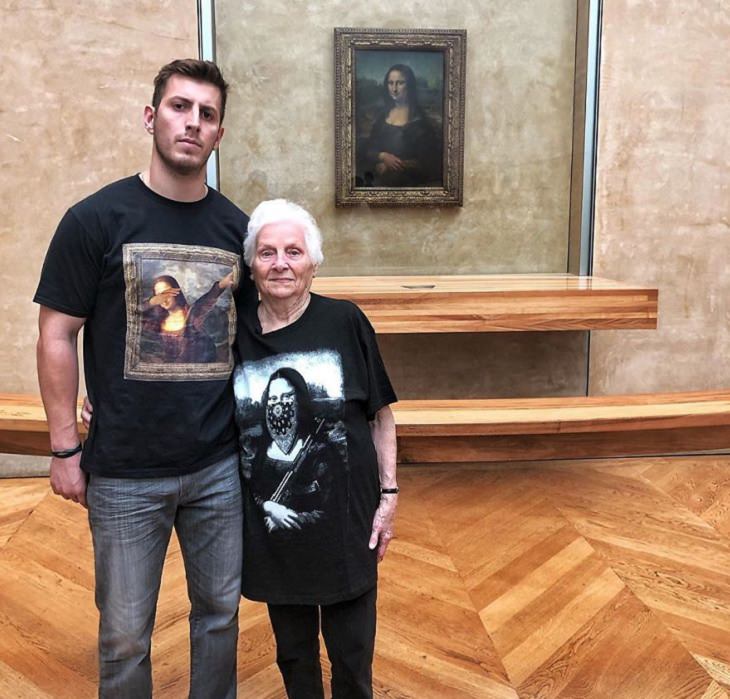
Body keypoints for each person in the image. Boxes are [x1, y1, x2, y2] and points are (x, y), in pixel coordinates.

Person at [35, 58, 256, 698]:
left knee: (219, 616)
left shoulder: (236, 231)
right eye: (181, 107)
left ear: (219, 134)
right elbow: (56, 333)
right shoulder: (95, 219)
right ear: (150, 117)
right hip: (125, 472)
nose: (192, 123)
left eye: (207, 114)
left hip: (218, 465)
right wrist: (63, 448)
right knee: (126, 635)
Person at [234, 199, 399, 698]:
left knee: (352, 659)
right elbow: (180, 380)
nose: (280, 262)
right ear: (251, 265)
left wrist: (388, 495)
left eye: (293, 251)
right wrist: (104, 403)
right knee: (294, 659)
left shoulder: (345, 321)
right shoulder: (233, 330)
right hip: (273, 538)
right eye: (267, 253)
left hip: (346, 527)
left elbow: (381, 415)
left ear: (313, 262)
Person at [359, 63, 442, 187]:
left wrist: (392, 165)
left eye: (400, 83)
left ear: (409, 86)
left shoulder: (420, 123)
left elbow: (428, 164)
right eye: (390, 83)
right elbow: (370, 148)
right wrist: (382, 156)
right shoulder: (383, 116)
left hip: (407, 184)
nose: (394, 88)